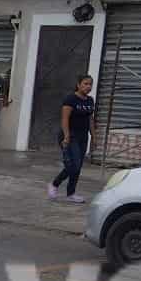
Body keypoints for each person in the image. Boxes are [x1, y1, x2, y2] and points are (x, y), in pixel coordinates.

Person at [48, 74, 96, 204]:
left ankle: (71, 193)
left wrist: (94, 137)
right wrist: (67, 136)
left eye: (90, 84)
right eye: (85, 84)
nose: (88, 87)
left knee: (78, 166)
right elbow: (65, 119)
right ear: (78, 85)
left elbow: (90, 119)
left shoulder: (90, 100)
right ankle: (55, 184)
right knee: (73, 165)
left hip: (83, 136)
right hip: (70, 135)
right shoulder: (70, 99)